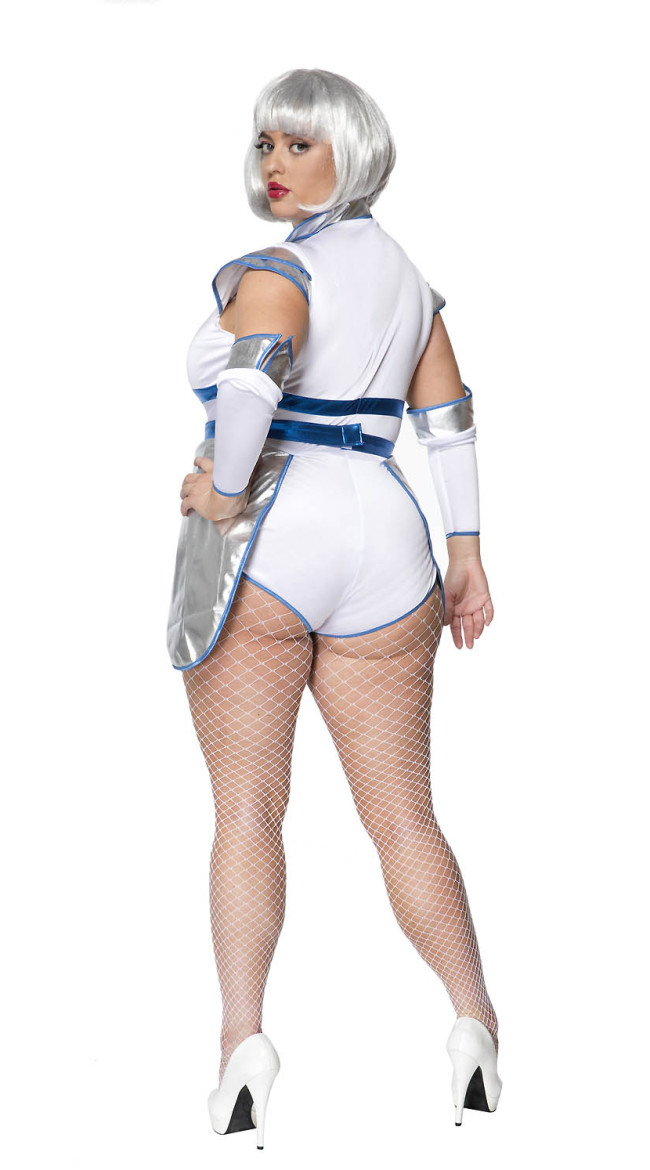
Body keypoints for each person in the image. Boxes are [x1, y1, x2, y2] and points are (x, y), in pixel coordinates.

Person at [167, 67, 502, 1148]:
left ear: (349, 151)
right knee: (404, 815)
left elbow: (253, 385)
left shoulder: (277, 271)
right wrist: (466, 555)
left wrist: (222, 493)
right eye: (266, 143)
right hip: (391, 541)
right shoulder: (412, 284)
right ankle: (474, 1024)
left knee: (247, 812)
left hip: (274, 536)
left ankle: (242, 1045)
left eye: (299, 144)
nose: (274, 164)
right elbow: (447, 421)